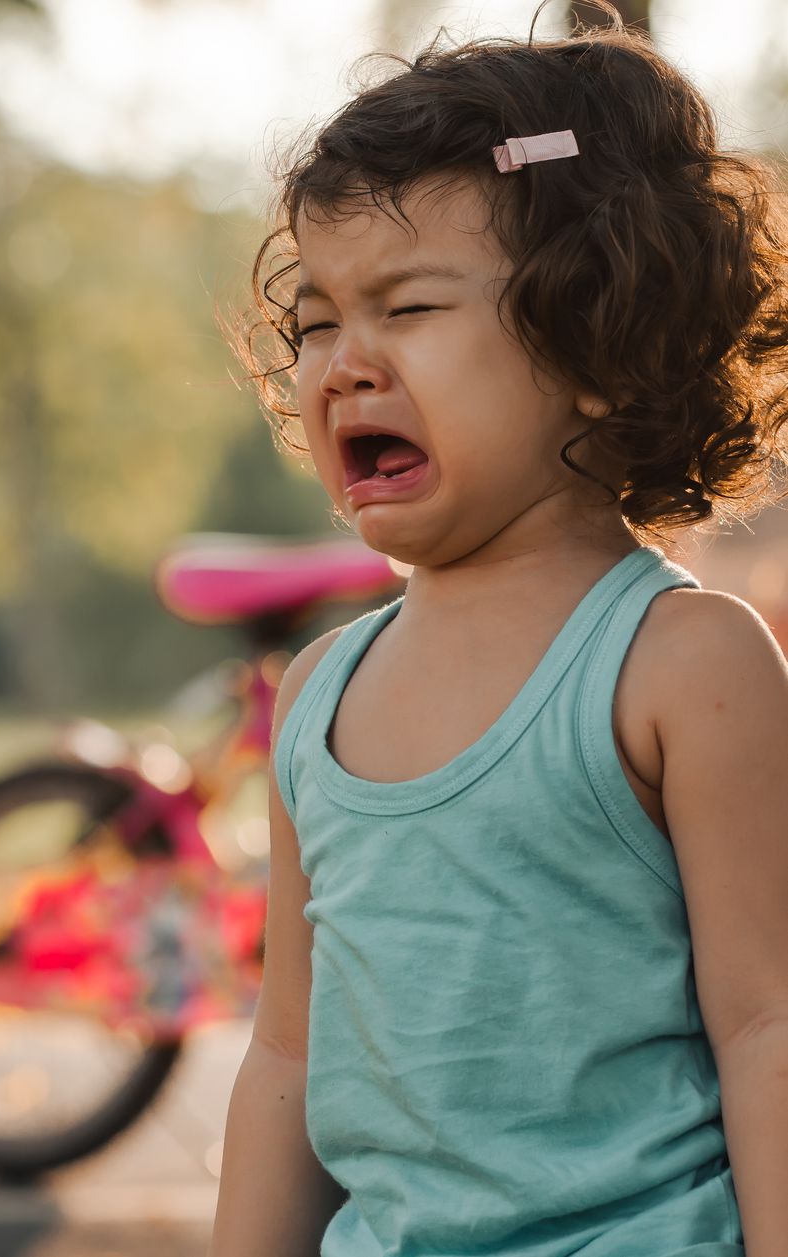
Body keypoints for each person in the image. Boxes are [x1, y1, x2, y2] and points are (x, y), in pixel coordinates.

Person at [209, 4, 788, 1255]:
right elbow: (286, 1060)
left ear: (596, 345)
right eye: (317, 323)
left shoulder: (683, 665)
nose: (345, 365)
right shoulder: (319, 694)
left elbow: (768, 1026)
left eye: (407, 309)